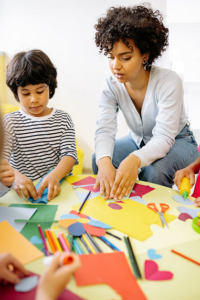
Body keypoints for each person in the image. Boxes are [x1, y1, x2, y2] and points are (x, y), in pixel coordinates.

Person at [92, 4, 199, 201]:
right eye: (111, 57)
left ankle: (152, 218)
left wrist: (135, 159)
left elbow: (165, 138)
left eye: (125, 57)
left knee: (154, 172)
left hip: (178, 141)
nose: (116, 66)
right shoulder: (110, 86)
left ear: (145, 56)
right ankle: (121, 206)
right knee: (99, 159)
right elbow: (104, 130)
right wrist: (105, 162)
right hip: (138, 140)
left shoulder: (169, 81)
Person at [4, 50, 78, 201]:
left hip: (58, 188)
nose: (33, 99)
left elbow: (69, 155)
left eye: (39, 91)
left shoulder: (63, 119)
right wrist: (16, 177)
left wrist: (55, 176)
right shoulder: (10, 121)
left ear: (50, 88)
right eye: (25, 93)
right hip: (23, 193)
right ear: (16, 94)